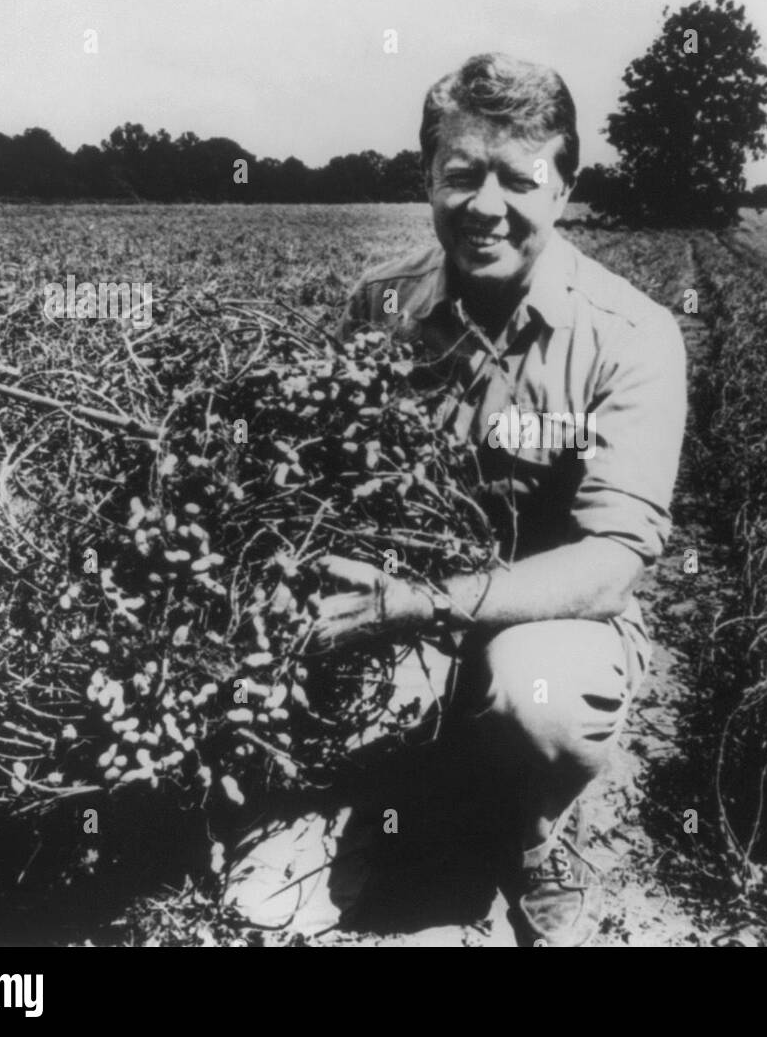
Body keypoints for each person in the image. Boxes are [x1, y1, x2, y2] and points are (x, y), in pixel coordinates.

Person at [226, 52, 687, 947]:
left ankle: (534, 828)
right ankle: (379, 797)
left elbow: (609, 564)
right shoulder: (379, 305)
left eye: (518, 178)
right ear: (427, 178)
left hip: (551, 623)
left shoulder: (634, 337)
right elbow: (324, 487)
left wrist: (426, 605)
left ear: (563, 185)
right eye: (460, 175)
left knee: (535, 695)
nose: (486, 206)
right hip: (395, 608)